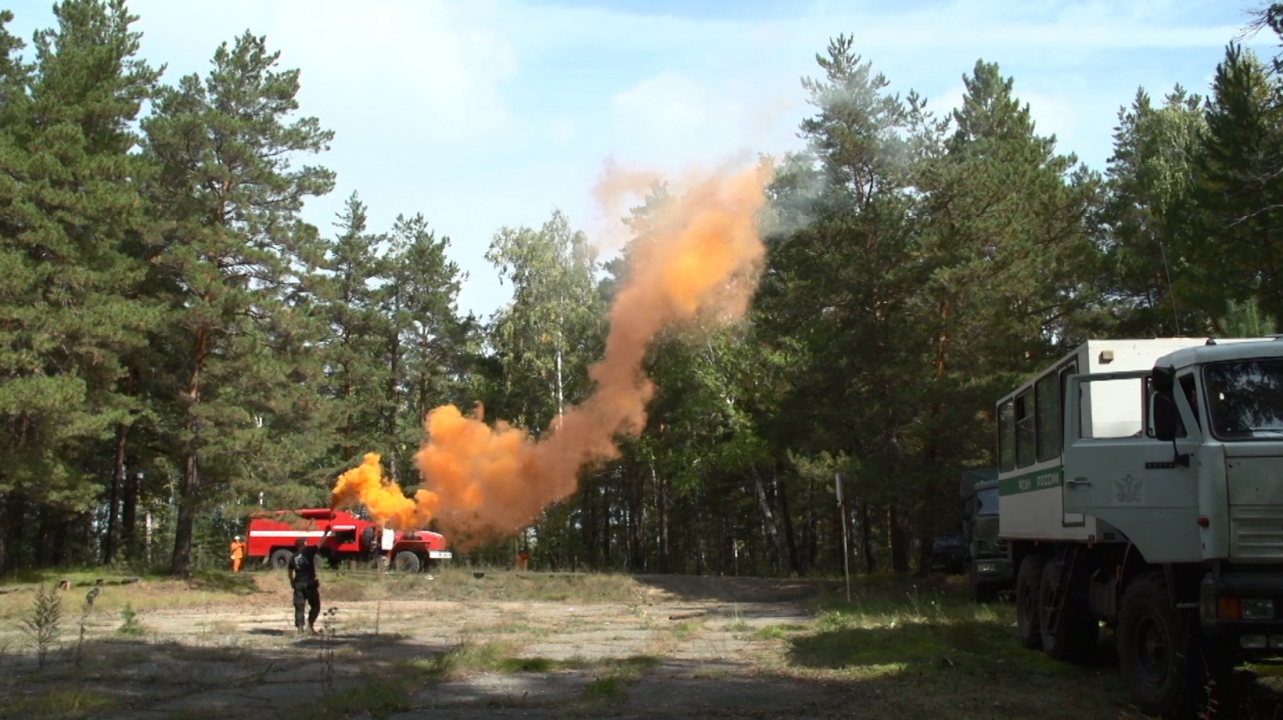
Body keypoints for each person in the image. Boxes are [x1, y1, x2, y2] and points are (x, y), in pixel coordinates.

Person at [287, 538, 321, 634]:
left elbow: (289, 572)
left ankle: (300, 628)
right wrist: (326, 533)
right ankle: (310, 626)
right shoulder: (308, 552)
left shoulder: (292, 557)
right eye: (306, 542)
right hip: (309, 584)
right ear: (303, 544)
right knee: (315, 606)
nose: (307, 543)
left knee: (299, 606)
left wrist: (292, 581)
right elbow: (319, 544)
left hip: (298, 584)